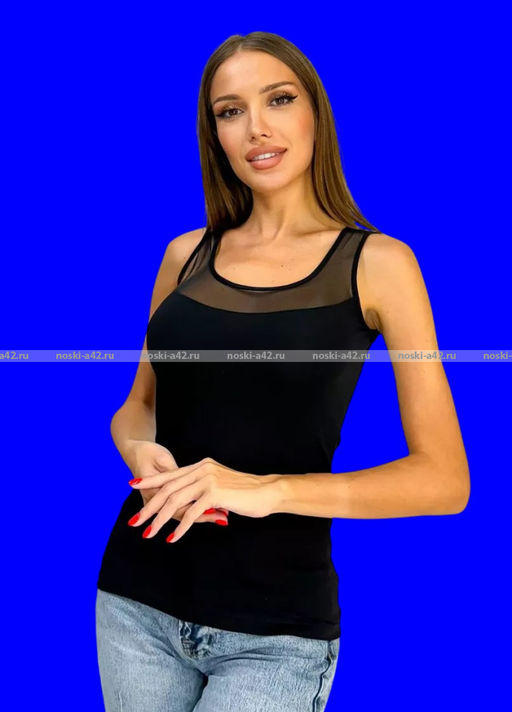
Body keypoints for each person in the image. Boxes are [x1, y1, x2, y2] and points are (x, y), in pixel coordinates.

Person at [95, 31, 470, 712]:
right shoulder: (185, 256)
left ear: (315, 114)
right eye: (230, 111)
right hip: (136, 601)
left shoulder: (380, 265)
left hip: (274, 630)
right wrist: (138, 450)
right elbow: (138, 405)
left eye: (278, 99)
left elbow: (445, 481)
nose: (256, 129)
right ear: (214, 134)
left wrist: (263, 490)